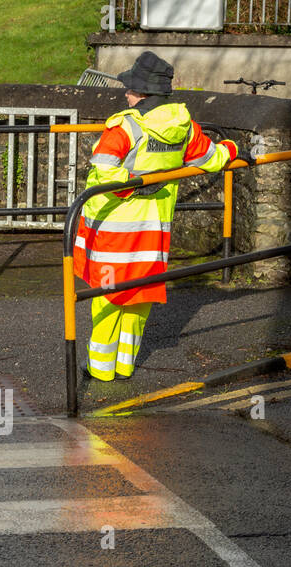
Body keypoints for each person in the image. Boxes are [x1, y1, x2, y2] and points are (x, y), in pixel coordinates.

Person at [74, 51, 238, 381]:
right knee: (140, 293)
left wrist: (132, 187)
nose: (126, 94)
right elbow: (211, 157)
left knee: (107, 296)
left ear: (143, 93)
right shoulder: (183, 127)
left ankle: (101, 370)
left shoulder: (124, 128)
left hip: (113, 227)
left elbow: (105, 172)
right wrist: (234, 150)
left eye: (130, 89)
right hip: (154, 228)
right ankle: (124, 364)